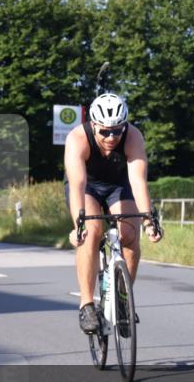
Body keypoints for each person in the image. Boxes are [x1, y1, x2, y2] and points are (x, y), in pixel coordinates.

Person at [64, 92, 163, 334]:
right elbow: (77, 184)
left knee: (130, 233)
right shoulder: (78, 138)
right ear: (94, 125)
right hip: (87, 185)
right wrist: (78, 226)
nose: (111, 137)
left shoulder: (133, 137)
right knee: (92, 231)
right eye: (105, 132)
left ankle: (122, 299)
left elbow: (138, 181)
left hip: (119, 185)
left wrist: (149, 220)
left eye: (117, 130)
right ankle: (87, 304)